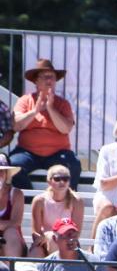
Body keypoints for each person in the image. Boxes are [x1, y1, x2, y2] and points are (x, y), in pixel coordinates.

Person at [9, 59, 80, 190]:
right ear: (36, 81)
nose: (49, 80)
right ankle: (31, 199)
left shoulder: (63, 104)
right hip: (27, 153)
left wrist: (50, 108)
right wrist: (35, 111)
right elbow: (16, 126)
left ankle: (67, 199)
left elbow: (66, 129)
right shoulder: (25, 100)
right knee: (12, 166)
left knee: (73, 165)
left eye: (52, 77)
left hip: (58, 153)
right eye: (45, 77)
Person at [29, 165, 83, 258]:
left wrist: (60, 240)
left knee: (53, 238)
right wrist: (48, 239)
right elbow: (36, 232)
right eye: (57, 179)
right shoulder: (39, 201)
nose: (62, 182)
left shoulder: (77, 201)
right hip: (44, 243)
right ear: (49, 181)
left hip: (69, 243)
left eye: (65, 179)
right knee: (36, 252)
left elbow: (75, 233)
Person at [0, 161, 25, 258]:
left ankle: (12, 267)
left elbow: (16, 222)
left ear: (7, 174)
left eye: (1, 171)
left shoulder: (16, 194)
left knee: (11, 232)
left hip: (12, 241)